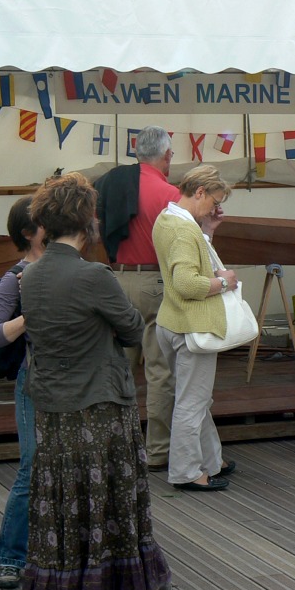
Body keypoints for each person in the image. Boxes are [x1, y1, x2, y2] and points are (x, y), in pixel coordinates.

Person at [20, 173, 172, 590]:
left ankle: (62, 578)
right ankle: (111, 580)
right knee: (107, 493)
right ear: (89, 222)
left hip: (52, 405)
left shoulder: (30, 276)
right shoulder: (95, 277)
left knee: (64, 495)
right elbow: (131, 329)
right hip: (98, 403)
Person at [96, 125, 180, 473]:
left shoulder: (112, 183)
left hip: (117, 280)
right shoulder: (169, 193)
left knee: (118, 368)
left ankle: (112, 444)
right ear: (167, 156)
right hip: (154, 283)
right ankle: (158, 450)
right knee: (160, 370)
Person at [153, 165, 236, 492]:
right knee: (192, 403)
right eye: (213, 201)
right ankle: (188, 471)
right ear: (199, 191)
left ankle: (212, 461)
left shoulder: (167, 219)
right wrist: (223, 283)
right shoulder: (185, 230)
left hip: (171, 321)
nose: (214, 208)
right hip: (193, 326)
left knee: (194, 398)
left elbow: (184, 258)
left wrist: (208, 230)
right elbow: (187, 282)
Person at [0, 196, 44, 590]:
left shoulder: (72, 268)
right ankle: (10, 558)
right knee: (31, 467)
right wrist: (26, 315)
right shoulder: (14, 277)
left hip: (72, 382)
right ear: (28, 232)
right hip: (32, 382)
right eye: (44, 221)